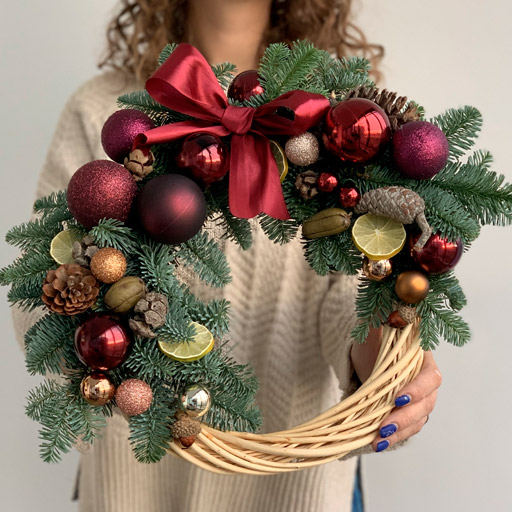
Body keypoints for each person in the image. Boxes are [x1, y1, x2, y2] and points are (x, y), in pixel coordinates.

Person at [11, 1, 442, 510]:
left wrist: (390, 359)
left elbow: (352, 298)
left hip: (293, 491)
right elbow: (43, 295)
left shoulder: (342, 124)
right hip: (137, 487)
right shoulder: (110, 115)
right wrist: (119, 368)